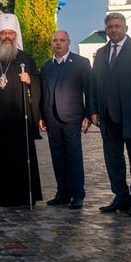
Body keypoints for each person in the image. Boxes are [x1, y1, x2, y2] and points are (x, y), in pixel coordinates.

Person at [90, 12, 131, 217]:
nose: (114, 30)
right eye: (110, 27)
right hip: (108, 118)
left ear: (125, 28)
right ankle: (121, 197)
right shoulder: (101, 53)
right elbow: (94, 84)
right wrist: (94, 110)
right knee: (113, 161)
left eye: (117, 26)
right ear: (106, 30)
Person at [0, 13, 43, 207]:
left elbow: (38, 85)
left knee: (20, 157)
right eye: (4, 33)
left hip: (19, 119)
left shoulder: (25, 59)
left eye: (11, 33)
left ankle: (22, 195)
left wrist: (30, 80)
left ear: (16, 35)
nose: (7, 36)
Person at [39, 30, 92, 209]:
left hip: (72, 117)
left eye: (62, 40)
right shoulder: (46, 66)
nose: (58, 43)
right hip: (51, 118)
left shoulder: (81, 63)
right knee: (57, 157)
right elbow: (43, 93)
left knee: (73, 156)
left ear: (69, 42)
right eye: (55, 40)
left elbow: (89, 90)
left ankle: (78, 194)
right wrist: (41, 116)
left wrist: (88, 114)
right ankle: (62, 192)